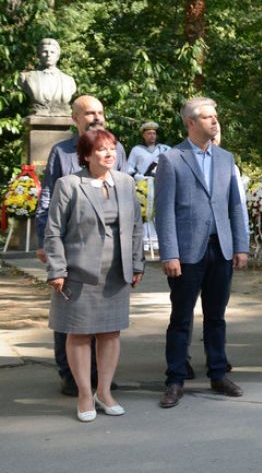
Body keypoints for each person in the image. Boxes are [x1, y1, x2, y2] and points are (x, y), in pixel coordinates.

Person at [43, 128, 144, 421]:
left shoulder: (125, 183)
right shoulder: (69, 184)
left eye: (112, 147)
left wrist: (137, 264)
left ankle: (105, 391)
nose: (109, 153)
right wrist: (57, 268)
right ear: (87, 155)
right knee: (79, 333)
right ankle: (85, 395)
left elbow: (135, 226)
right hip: (78, 272)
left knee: (111, 332)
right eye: (101, 149)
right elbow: (53, 232)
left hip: (117, 270)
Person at [155, 97, 249, 407]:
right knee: (181, 318)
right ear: (190, 123)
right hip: (186, 253)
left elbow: (235, 204)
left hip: (220, 249)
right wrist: (169, 253)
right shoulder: (172, 159)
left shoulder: (225, 158)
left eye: (215, 116)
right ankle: (175, 379)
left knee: (216, 316)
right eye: (207, 117)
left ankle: (218, 373)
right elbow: (164, 211)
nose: (215, 121)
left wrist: (241, 245)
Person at [36, 95, 128, 396]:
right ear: (75, 118)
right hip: (72, 243)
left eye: (100, 112)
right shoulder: (61, 151)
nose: (96, 117)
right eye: (89, 113)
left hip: (108, 252)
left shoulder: (118, 150)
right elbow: (49, 195)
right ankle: (69, 374)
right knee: (71, 316)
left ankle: (100, 378)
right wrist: (44, 241)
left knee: (105, 319)